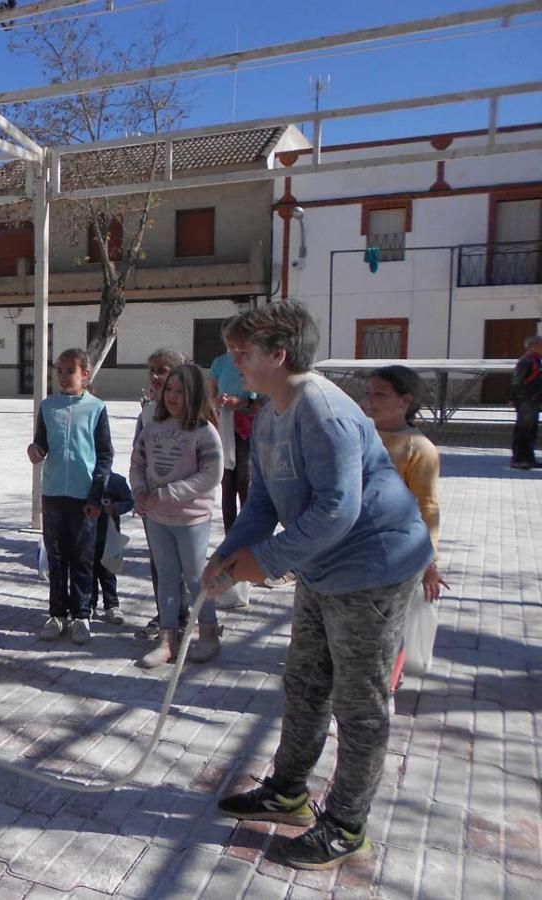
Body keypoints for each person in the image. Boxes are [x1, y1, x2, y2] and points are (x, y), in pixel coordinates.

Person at [206, 301, 433, 871]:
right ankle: (287, 794)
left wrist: (271, 561)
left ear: (278, 355)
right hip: (322, 570)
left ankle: (346, 825)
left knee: (359, 705)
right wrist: (229, 554)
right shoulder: (269, 415)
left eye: (241, 354)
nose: (233, 366)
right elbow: (262, 501)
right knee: (306, 684)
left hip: (374, 570)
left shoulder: (324, 411)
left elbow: (338, 508)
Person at [131, 363, 224, 667]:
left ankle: (208, 634)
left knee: (197, 577)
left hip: (191, 518)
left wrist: (168, 493)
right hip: (157, 518)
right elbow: (138, 463)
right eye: (168, 389)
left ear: (195, 394)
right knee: (167, 577)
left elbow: (211, 475)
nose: (171, 396)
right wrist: (140, 491)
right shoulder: (153, 428)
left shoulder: (204, 432)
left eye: (180, 391)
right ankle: (167, 638)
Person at [362, 365, 448, 689]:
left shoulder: (419, 449)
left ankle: (387, 685)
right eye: (367, 393)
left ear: (405, 400)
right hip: (353, 549)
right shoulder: (359, 433)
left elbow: (428, 507)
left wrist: (429, 562)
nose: (369, 401)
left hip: (395, 556)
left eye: (380, 394)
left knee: (388, 628)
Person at [26, 348, 112, 645]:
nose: (63, 377)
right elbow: (40, 443)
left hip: (84, 496)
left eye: (69, 371)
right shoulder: (48, 407)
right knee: (56, 556)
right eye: (59, 371)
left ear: (85, 375)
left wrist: (96, 496)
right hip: (53, 494)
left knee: (83, 558)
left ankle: (82, 615)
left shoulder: (97, 408)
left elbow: (104, 455)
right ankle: (57, 613)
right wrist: (34, 450)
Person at [134, 348, 190, 641]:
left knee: (184, 563)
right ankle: (166, 615)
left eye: (163, 370)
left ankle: (190, 618)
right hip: (153, 503)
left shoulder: (192, 415)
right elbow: (138, 457)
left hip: (185, 505)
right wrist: (139, 492)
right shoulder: (146, 413)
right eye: (152, 370)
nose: (155, 377)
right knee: (159, 561)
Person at [208, 349, 261, 532]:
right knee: (227, 483)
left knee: (245, 481)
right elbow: (211, 395)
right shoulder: (220, 362)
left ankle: (247, 533)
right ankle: (230, 535)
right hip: (225, 426)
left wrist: (241, 403)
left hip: (248, 428)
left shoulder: (254, 360)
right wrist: (217, 401)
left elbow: (260, 400)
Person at [90, 471, 133, 625]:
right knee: (89, 571)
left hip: (110, 535)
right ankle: (89, 604)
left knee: (108, 573)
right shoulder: (84, 480)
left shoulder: (116, 481)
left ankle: (112, 605)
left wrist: (116, 507)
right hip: (88, 535)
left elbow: (130, 501)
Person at [510, 334, 542, 470]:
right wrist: (515, 399)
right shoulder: (526, 361)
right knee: (523, 431)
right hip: (526, 401)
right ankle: (518, 460)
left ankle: (529, 459)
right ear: (534, 346)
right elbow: (517, 382)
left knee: (532, 431)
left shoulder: (538, 360)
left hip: (534, 400)